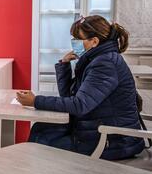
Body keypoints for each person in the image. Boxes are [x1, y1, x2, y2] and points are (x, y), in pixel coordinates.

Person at [16, 15, 145, 160]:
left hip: (113, 140)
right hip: (96, 129)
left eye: (78, 39)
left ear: (94, 41)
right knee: (41, 128)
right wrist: (64, 65)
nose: (74, 43)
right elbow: (69, 98)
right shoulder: (96, 59)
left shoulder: (105, 64)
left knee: (40, 144)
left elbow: (79, 105)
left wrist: (35, 101)